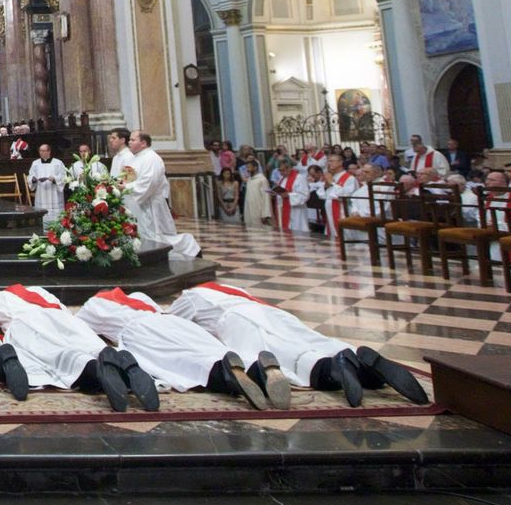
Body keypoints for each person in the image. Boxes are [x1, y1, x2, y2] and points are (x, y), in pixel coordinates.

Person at [167, 282, 427, 407]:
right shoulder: (231, 288)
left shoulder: (190, 296)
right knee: (309, 338)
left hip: (238, 319)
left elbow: (173, 325)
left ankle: (332, 370)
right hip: (273, 312)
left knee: (285, 354)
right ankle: (357, 362)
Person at [76, 289, 276, 409]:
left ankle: (223, 374)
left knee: (186, 360)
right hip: (175, 323)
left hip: (142, 331)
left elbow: (80, 325)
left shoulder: (95, 303)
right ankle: (257, 371)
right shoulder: (141, 297)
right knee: (210, 348)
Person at [0, 283, 155, 411]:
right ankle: (122, 364)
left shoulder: (0, 298)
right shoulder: (47, 295)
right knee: (88, 346)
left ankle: (95, 371)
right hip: (68, 322)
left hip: (30, 324)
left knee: (61, 356)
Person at [122, 130, 201, 259]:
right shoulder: (133, 158)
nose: (129, 142)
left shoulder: (151, 158)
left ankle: (188, 246)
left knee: (157, 236)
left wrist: (126, 187)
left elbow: (149, 182)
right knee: (144, 234)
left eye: (133, 140)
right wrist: (123, 184)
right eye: (129, 140)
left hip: (150, 204)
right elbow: (130, 178)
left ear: (143, 143)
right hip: (137, 203)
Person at [314, 154, 361, 239]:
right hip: (330, 210)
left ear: (340, 162)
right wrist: (326, 186)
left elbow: (346, 196)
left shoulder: (350, 178)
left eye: (331, 161)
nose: (329, 163)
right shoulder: (331, 176)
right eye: (328, 161)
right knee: (333, 235)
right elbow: (321, 194)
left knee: (345, 235)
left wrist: (332, 183)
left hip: (343, 210)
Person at [27, 143, 67, 226]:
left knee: (56, 217)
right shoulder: (35, 163)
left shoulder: (58, 163)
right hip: (41, 192)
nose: (42, 153)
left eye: (44, 151)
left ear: (49, 151)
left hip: (54, 193)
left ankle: (57, 228)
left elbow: (64, 176)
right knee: (42, 215)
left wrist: (54, 179)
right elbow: (30, 175)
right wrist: (33, 179)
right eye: (40, 151)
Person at [271, 160, 309, 234]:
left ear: (290, 168)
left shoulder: (299, 178)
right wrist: (275, 194)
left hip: (295, 211)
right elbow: (281, 193)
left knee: (297, 233)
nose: (281, 173)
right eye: (279, 170)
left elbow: (305, 195)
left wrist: (289, 195)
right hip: (283, 209)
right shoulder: (282, 179)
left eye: (283, 170)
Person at [242, 159, 271, 227]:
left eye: (249, 167)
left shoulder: (262, 179)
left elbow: (266, 197)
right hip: (249, 210)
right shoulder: (249, 180)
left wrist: (265, 214)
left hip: (258, 211)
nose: (247, 169)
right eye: (246, 167)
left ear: (255, 167)